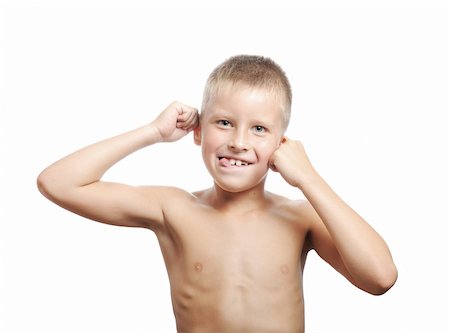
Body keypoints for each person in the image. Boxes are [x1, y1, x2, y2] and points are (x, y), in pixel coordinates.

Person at [37, 55, 397, 333]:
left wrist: (309, 178)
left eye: (259, 128)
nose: (238, 142)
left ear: (281, 143)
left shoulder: (300, 216)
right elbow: (57, 183)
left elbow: (380, 278)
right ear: (198, 131)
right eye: (223, 122)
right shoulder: (173, 208)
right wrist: (152, 132)